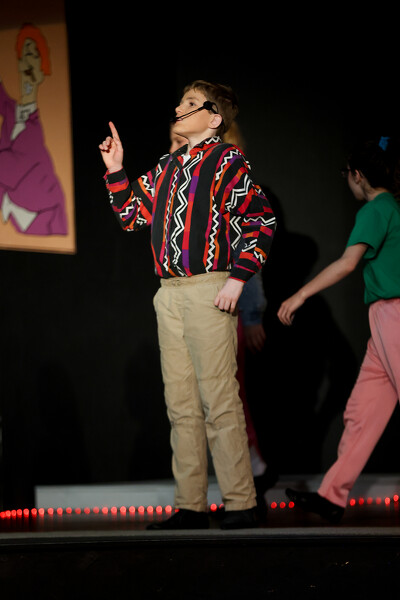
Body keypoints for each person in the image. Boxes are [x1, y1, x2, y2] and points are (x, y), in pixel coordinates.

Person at [99, 80, 276, 529]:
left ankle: (241, 502)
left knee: (220, 401)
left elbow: (260, 219)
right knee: (180, 404)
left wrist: (238, 279)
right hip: (170, 293)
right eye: (180, 102)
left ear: (214, 118)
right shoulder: (167, 165)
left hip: (208, 288)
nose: (180, 107)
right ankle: (191, 505)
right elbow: (131, 217)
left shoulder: (226, 159)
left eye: (192, 103)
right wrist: (116, 170)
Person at [278, 137, 400, 523]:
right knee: (362, 411)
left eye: (347, 174)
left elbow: (348, 264)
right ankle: (332, 496)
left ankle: (331, 495)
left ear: (358, 175)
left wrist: (300, 294)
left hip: (394, 315)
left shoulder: (376, 209)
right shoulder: (390, 208)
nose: (347, 180)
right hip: (384, 319)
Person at [0, 23, 68, 235]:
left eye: (35, 55)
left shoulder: (36, 130)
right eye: (26, 54)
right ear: (19, 63)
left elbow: (15, 166)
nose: (29, 61)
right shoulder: (10, 110)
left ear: (41, 71)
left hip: (44, 215)